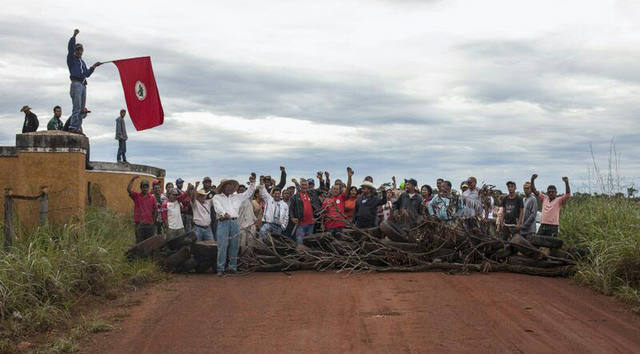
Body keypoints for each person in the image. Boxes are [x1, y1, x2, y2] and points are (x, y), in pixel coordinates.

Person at [212, 174, 256, 276]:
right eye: (228, 185)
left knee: (234, 246)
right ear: (223, 187)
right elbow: (217, 208)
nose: (230, 187)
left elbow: (249, 193)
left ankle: (232, 267)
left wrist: (253, 183)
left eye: (231, 186)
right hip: (223, 222)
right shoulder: (217, 197)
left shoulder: (237, 197)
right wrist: (224, 213)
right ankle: (220, 268)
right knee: (222, 246)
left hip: (235, 222)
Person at [67, 29, 102, 133]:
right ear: (75, 51)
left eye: (80, 50)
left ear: (82, 51)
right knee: (76, 107)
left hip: (83, 85)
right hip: (76, 84)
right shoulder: (71, 59)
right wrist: (74, 36)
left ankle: (77, 127)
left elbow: (86, 74)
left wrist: (94, 66)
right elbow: (70, 48)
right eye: (77, 49)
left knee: (82, 109)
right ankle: (73, 127)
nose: (78, 51)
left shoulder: (82, 62)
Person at [321, 167, 353, 234]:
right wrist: (322, 224)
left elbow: (348, 188)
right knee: (329, 243)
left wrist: (349, 177)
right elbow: (323, 214)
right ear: (331, 190)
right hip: (329, 225)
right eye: (334, 189)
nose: (335, 190)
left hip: (340, 225)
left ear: (339, 190)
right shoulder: (326, 200)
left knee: (340, 243)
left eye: (337, 189)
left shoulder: (341, 197)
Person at [127, 176, 157, 243]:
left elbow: (155, 210)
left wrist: (153, 222)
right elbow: (129, 190)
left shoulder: (152, 198)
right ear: (141, 188)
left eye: (147, 187)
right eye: (144, 187)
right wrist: (132, 180)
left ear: (148, 188)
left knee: (149, 243)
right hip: (139, 225)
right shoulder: (136, 196)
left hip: (149, 224)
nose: (145, 189)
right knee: (139, 243)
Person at [289, 179, 316, 245]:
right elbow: (291, 209)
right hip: (300, 224)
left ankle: (307, 254)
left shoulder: (311, 195)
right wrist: (292, 218)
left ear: (307, 186)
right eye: (302, 185)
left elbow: (315, 206)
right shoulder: (295, 197)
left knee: (309, 242)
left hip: (311, 223)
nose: (304, 186)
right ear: (300, 186)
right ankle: (300, 254)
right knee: (299, 241)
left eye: (305, 185)